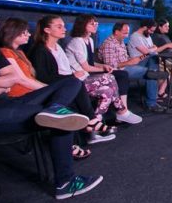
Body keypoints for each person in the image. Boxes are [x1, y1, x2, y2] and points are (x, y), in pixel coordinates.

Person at [0, 1, 102, 199]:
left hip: (6, 103)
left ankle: (54, 108)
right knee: (64, 119)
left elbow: (12, 78)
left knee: (72, 82)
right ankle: (65, 182)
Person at [0, 17, 97, 159]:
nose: (29, 34)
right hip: (22, 96)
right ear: (13, 33)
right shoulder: (6, 52)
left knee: (72, 86)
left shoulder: (19, 52)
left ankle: (86, 127)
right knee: (71, 88)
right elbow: (22, 80)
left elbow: (32, 78)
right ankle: (87, 125)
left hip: (33, 91)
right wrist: (49, 89)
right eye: (24, 32)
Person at [28, 16, 120, 144]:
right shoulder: (40, 50)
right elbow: (43, 77)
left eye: (63, 26)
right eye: (59, 27)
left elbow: (67, 69)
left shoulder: (58, 47)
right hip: (59, 86)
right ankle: (99, 119)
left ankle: (94, 127)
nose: (64, 29)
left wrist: (71, 76)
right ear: (47, 30)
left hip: (70, 82)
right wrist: (71, 77)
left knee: (107, 90)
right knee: (96, 80)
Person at [65, 15, 141, 125]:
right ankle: (122, 111)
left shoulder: (90, 40)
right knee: (110, 77)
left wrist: (103, 66)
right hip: (78, 79)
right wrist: (103, 68)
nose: (96, 25)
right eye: (92, 23)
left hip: (87, 75)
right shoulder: (77, 42)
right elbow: (86, 67)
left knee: (108, 90)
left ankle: (96, 122)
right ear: (82, 25)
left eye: (96, 23)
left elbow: (91, 63)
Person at [98, 22, 167, 113]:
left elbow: (124, 58)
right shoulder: (109, 44)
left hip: (127, 66)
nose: (126, 36)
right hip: (119, 70)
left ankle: (154, 74)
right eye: (124, 33)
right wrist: (129, 62)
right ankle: (151, 102)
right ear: (116, 32)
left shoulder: (120, 41)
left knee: (151, 58)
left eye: (127, 33)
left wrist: (133, 59)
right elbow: (110, 65)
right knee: (151, 74)